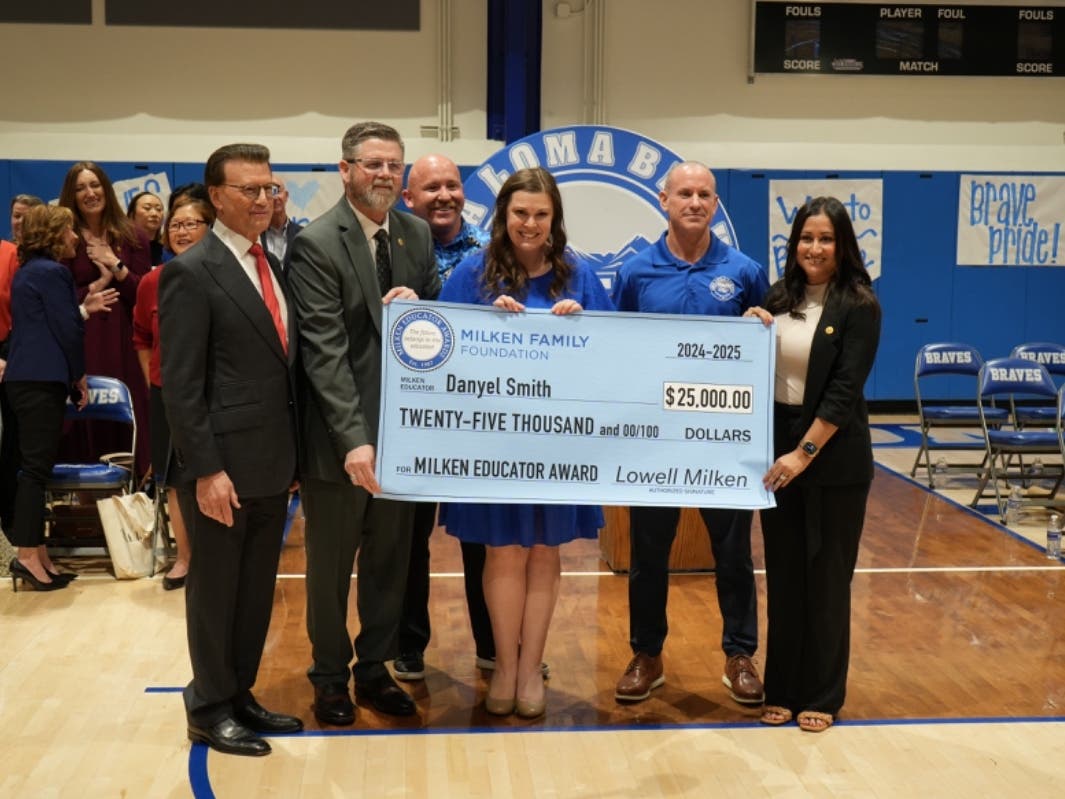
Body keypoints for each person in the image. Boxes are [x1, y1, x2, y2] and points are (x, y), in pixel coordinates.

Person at [437, 167, 612, 717]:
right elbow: (440, 348)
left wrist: (583, 325)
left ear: (554, 218)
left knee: (543, 551)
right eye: (520, 213)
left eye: (541, 214)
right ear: (503, 216)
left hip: (558, 445)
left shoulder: (578, 275)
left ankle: (532, 665)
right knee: (503, 551)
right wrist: (484, 326)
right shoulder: (472, 272)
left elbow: (617, 350)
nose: (530, 224)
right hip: (493, 444)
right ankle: (506, 667)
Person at [287, 121, 439, 725]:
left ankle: (373, 670)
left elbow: (439, 326)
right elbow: (324, 353)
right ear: (345, 169)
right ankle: (328, 677)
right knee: (330, 570)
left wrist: (422, 313)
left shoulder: (416, 234)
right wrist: (354, 440)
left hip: (402, 438)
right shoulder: (316, 243)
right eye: (373, 163)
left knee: (388, 565)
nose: (385, 174)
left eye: (394, 165)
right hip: (338, 444)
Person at [160, 143, 302, 756]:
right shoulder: (191, 272)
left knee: (254, 590)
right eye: (250, 189)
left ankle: (240, 693)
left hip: (272, 461)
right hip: (223, 468)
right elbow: (182, 385)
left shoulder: (272, 260)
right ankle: (208, 706)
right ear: (216, 197)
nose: (263, 199)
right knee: (216, 592)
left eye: (269, 188)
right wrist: (207, 470)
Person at [611, 161, 769, 706]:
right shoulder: (635, 273)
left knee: (733, 553)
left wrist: (761, 329)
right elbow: (616, 347)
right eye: (684, 194)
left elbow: (765, 346)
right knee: (648, 553)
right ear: (664, 200)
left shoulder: (745, 271)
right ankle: (646, 654)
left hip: (724, 442)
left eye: (704, 194)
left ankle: (740, 655)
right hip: (655, 439)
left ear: (715, 203)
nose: (695, 203)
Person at [743, 196, 881, 733]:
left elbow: (844, 392)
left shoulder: (860, 305)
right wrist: (747, 331)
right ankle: (781, 687)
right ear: (793, 242)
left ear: (842, 245)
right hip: (776, 454)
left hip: (833, 459)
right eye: (806, 237)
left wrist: (802, 454)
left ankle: (822, 693)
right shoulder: (778, 297)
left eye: (826, 239)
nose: (815, 248)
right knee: (784, 577)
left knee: (826, 579)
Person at [392, 153, 492, 682]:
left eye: (452, 185)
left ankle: (495, 645)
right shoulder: (392, 249)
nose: (445, 196)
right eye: (431, 188)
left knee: (485, 537)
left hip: (478, 417)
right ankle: (408, 644)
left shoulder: (492, 252)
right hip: (414, 418)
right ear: (408, 197)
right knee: (408, 540)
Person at [132, 190, 215, 591]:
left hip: (215, 395)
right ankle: (184, 558)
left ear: (210, 228)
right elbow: (142, 338)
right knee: (177, 482)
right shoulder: (151, 282)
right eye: (175, 225)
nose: (181, 231)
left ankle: (216, 557)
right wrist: (157, 383)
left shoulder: (223, 276)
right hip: (167, 395)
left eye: (191, 224)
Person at [4, 205, 90, 590]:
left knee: (32, 468)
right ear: (54, 234)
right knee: (35, 471)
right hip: (41, 380)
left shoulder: (27, 271)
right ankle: (27, 557)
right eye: (69, 230)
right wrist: (79, 376)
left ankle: (40, 556)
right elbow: (68, 328)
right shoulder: (53, 272)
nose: (75, 237)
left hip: (24, 379)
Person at [58, 162, 153, 478]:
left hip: (125, 339)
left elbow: (143, 294)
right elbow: (58, 296)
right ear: (71, 195)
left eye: (95, 185)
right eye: (81, 188)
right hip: (83, 337)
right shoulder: (65, 237)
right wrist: (96, 285)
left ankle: (132, 495)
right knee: (85, 414)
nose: (90, 193)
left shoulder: (133, 235)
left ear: (106, 189)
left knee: (130, 412)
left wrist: (115, 265)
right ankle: (84, 496)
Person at [1, 194, 45, 536]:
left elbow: (31, 318)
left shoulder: (36, 263)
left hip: (16, 358)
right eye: (17, 216)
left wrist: (8, 355)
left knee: (14, 447)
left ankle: (12, 529)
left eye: (28, 217)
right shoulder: (5, 252)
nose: (21, 222)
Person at [259, 175, 302, 270]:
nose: (275, 197)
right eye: (269, 192)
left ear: (286, 196)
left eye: (277, 191)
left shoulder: (302, 234)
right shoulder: (255, 236)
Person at [127, 191, 165, 264]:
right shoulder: (123, 247)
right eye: (147, 208)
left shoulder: (167, 250)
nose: (154, 214)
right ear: (132, 215)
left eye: (159, 209)